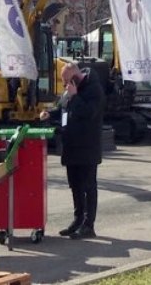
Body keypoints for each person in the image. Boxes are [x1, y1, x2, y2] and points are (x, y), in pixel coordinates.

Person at [41, 62, 105, 239]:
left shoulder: (94, 89)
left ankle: (88, 225)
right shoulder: (70, 90)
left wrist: (75, 96)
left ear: (75, 77)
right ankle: (77, 220)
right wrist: (50, 114)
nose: (65, 85)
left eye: (66, 81)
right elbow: (63, 109)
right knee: (75, 185)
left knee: (88, 186)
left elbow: (89, 113)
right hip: (71, 145)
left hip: (87, 146)